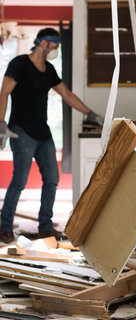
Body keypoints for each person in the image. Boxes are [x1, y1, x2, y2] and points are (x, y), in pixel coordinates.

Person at [0, 27, 104, 244]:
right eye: (54, 43)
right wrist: (1, 123)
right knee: (19, 181)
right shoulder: (19, 64)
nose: (56, 48)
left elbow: (66, 94)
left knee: (52, 179)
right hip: (21, 131)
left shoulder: (49, 70)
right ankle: (4, 227)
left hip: (43, 133)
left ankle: (45, 227)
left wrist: (91, 114)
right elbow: (4, 92)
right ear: (43, 43)